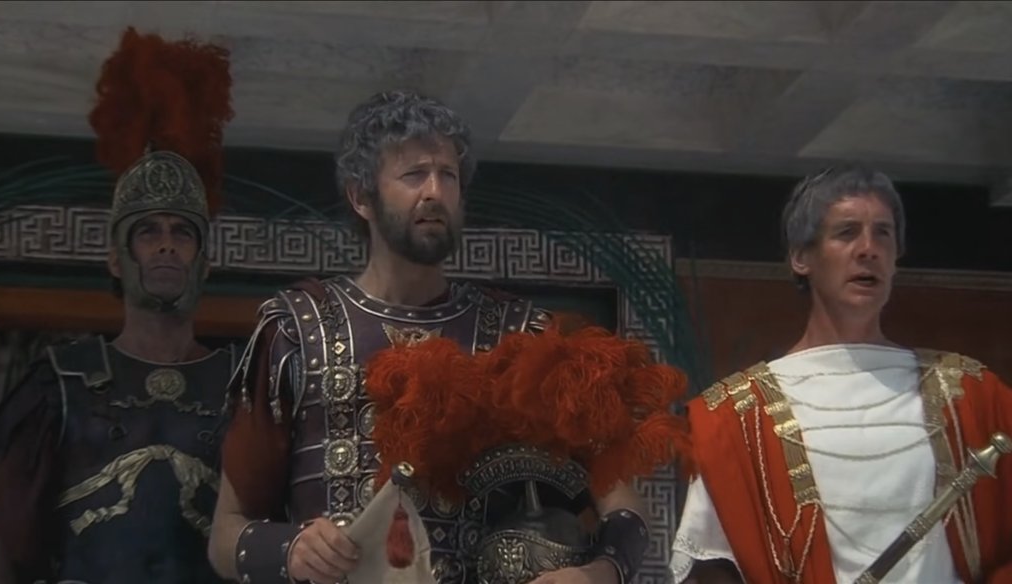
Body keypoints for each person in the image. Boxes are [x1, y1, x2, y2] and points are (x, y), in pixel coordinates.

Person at [208, 89, 688, 584]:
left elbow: (621, 501)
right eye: (414, 174)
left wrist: (598, 575)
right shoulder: (296, 330)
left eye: (448, 175)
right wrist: (289, 548)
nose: (435, 191)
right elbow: (225, 533)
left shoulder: (520, 338)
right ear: (361, 197)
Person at [669, 165, 1012, 583]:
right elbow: (711, 569)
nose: (869, 249)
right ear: (801, 258)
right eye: (847, 232)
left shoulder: (972, 395)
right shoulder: (737, 416)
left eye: (883, 233)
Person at [0, 27, 236, 583]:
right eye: (148, 231)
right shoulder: (60, 382)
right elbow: (8, 541)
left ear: (204, 263)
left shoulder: (244, 384)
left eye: (182, 232)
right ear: (116, 260)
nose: (167, 244)